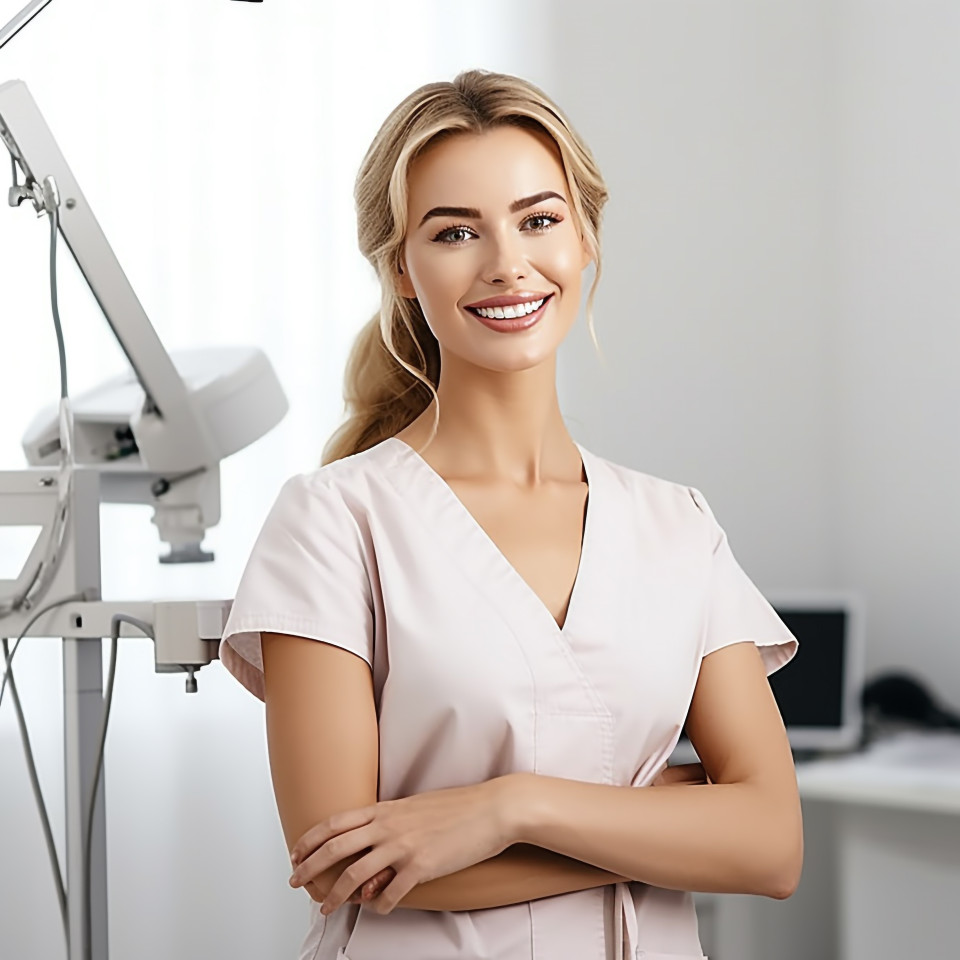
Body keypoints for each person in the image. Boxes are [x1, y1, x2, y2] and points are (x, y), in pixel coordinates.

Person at [218, 69, 802, 960]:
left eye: (538, 219)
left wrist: (506, 808)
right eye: (455, 232)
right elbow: (344, 864)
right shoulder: (334, 520)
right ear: (400, 270)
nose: (506, 263)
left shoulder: (676, 525)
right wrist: (671, 820)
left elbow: (772, 844)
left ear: (587, 236)